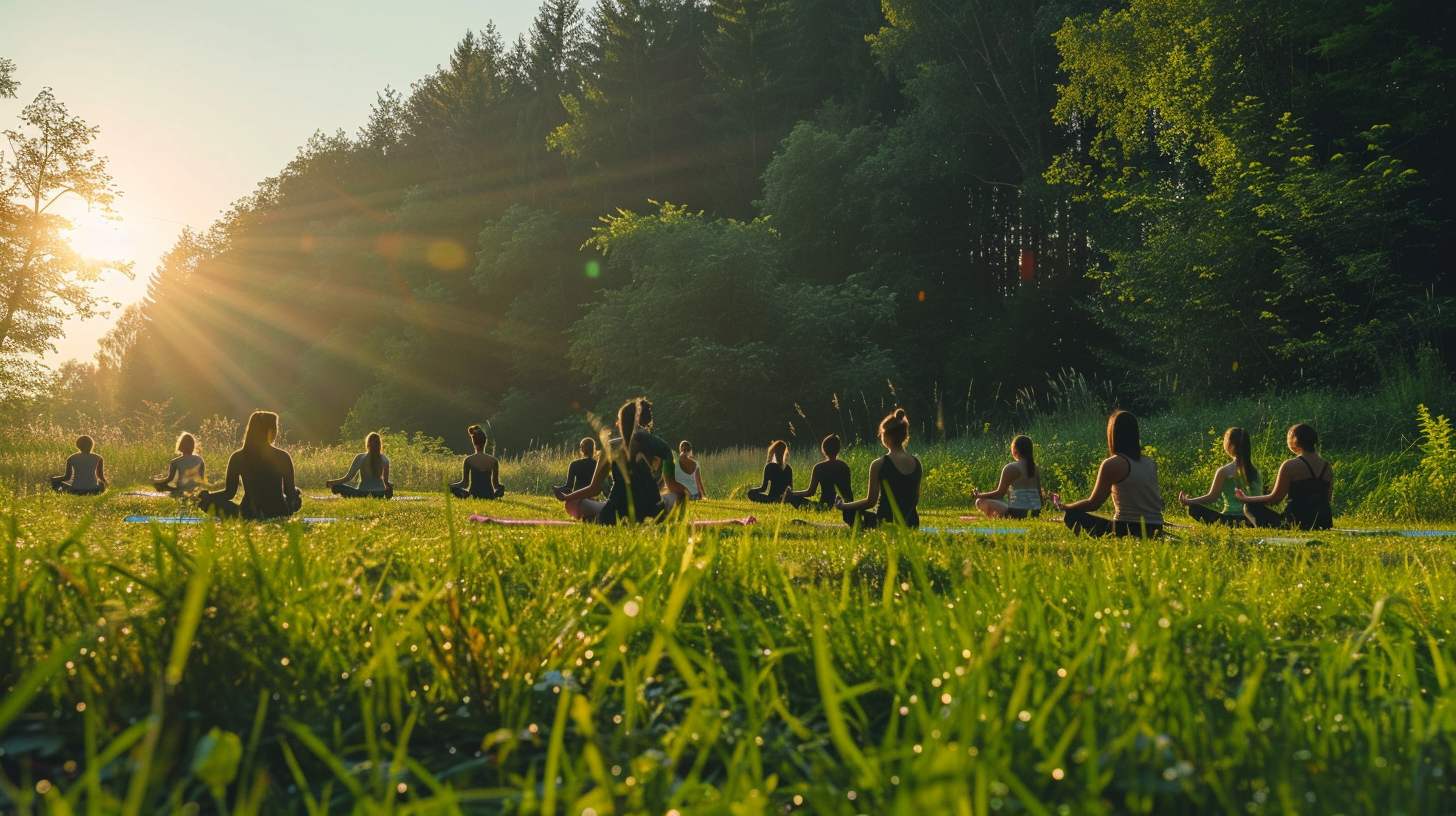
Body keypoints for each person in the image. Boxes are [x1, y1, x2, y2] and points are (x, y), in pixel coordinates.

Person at [554, 399, 665, 525]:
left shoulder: (610, 447)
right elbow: (660, 483)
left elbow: (594, 489)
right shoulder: (658, 447)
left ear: (622, 422)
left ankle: (592, 512)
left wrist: (567, 497)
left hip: (617, 511)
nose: (617, 424)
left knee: (578, 504)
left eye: (619, 420)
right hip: (651, 511)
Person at [1055, 410, 1164, 537]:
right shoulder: (1149, 463)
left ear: (1113, 434)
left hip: (1128, 529)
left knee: (1072, 515)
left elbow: (1093, 504)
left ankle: (1093, 539)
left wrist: (1067, 507)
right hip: (1155, 527)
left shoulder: (1114, 464)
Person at [198, 411, 301, 520]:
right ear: (270, 431)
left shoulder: (237, 457)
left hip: (249, 513)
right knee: (296, 501)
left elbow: (229, 493)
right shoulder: (283, 456)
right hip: (278, 512)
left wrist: (207, 497)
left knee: (214, 504)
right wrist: (297, 495)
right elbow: (289, 492)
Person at [1236, 423, 1334, 530]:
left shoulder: (1290, 465)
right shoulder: (1327, 467)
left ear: (1295, 440)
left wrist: (1247, 499)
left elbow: (1275, 499)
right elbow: (1327, 498)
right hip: (1324, 521)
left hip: (1295, 521)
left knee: (1250, 507)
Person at [837, 409, 922, 529]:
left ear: (886, 436)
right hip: (911, 523)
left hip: (886, 522)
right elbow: (915, 498)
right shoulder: (916, 463)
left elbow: (870, 502)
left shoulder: (879, 464)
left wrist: (843, 506)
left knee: (850, 512)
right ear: (905, 436)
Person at [1178, 427, 1261, 526]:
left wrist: (1188, 501)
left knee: (1194, 508)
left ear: (1232, 446)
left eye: (1226, 440)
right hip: (1252, 520)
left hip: (1229, 519)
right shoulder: (1256, 472)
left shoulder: (1224, 471)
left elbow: (1211, 498)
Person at [632, 399, 688, 512]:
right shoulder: (662, 447)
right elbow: (671, 485)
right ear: (649, 419)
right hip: (649, 504)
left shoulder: (613, 444)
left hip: (619, 502)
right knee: (680, 495)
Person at [971, 435, 1043, 519]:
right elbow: (1039, 493)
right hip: (1035, 512)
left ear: (1015, 450)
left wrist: (979, 495)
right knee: (1007, 498)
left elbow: (1000, 494)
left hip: (1018, 512)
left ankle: (994, 517)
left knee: (980, 502)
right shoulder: (1034, 467)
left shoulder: (1011, 467)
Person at [789, 434, 853, 508]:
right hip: (847, 504)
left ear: (824, 450)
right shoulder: (844, 466)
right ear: (838, 449)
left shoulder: (819, 467)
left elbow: (810, 492)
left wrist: (792, 493)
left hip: (826, 505)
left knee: (793, 498)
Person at [327, 432, 393, 499]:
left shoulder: (360, 458)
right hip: (379, 493)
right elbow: (386, 483)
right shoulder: (385, 459)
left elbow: (348, 478)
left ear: (367, 444)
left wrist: (332, 482)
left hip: (363, 492)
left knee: (337, 487)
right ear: (380, 445)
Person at [449, 425, 505, 499]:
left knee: (452, 489)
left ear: (473, 442)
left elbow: (465, 483)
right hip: (489, 495)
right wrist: (502, 488)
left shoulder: (468, 460)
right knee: (501, 488)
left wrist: (452, 485)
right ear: (485, 442)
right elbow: (496, 484)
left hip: (474, 494)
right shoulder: (493, 461)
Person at [747, 440, 805, 506]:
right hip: (784, 499)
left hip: (771, 498)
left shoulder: (769, 467)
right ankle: (780, 501)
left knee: (750, 493)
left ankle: (773, 502)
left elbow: (763, 488)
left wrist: (752, 490)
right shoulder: (788, 468)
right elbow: (790, 489)